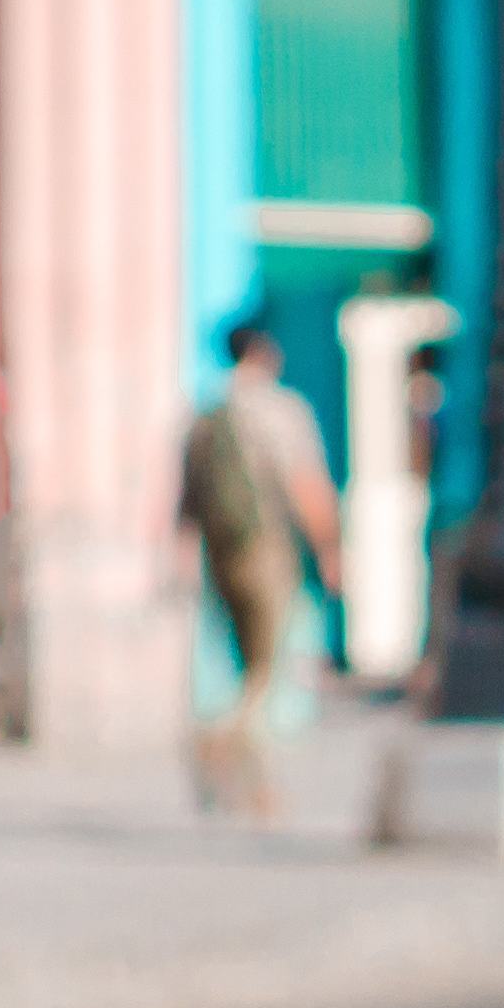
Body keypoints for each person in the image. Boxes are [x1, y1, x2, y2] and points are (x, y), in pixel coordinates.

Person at [177, 311, 342, 823]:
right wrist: (331, 549)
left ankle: (252, 791)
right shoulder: (280, 410)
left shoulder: (206, 415)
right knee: (265, 676)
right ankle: (219, 740)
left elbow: (184, 503)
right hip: (266, 553)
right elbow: (305, 484)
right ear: (264, 352)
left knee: (243, 665)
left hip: (219, 557)